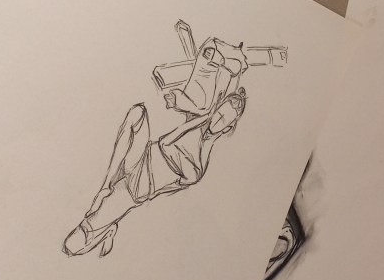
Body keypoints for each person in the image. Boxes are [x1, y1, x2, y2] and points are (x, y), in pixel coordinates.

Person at [63, 90, 247, 257]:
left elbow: (166, 150)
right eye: (218, 114)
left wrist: (200, 119)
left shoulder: (199, 167)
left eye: (223, 120)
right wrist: (202, 116)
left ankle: (105, 228)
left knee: (73, 244)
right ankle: (106, 186)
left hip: (142, 185)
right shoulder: (196, 125)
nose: (217, 120)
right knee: (138, 112)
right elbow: (165, 140)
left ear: (227, 128)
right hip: (142, 156)